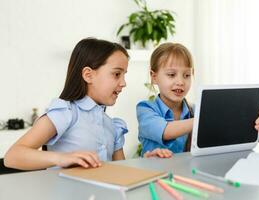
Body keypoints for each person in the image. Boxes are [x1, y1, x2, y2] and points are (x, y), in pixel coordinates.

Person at [4, 38, 172, 171]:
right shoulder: (65, 113)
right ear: (88, 75)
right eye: (116, 74)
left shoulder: (112, 126)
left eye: (124, 75)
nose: (123, 83)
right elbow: (13, 156)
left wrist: (148, 162)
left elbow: (121, 171)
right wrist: (62, 158)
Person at [136, 42, 259, 155]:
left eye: (187, 75)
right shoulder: (145, 109)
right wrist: (207, 120)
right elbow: (166, 131)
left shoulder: (195, 110)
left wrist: (254, 125)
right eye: (171, 75)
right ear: (154, 77)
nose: (180, 81)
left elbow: (223, 139)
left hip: (185, 175)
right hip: (154, 176)